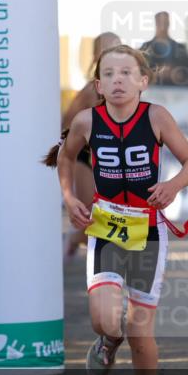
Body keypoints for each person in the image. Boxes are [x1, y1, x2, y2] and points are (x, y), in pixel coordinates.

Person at [47, 44, 188, 375]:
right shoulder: (86, 121)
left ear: (143, 81)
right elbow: (65, 158)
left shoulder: (157, 118)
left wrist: (172, 186)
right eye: (110, 74)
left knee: (139, 329)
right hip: (106, 226)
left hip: (147, 229)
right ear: (98, 84)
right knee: (104, 320)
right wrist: (69, 198)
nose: (119, 80)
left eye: (127, 73)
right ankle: (107, 342)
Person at [58, 32, 122, 258]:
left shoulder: (128, 86)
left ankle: (78, 240)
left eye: (117, 48)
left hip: (115, 160)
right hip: (87, 158)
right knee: (89, 217)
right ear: (96, 55)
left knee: (113, 217)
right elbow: (66, 122)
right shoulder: (89, 90)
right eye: (107, 49)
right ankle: (77, 239)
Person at [139, 11, 188, 86]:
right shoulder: (145, 48)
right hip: (151, 92)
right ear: (156, 23)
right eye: (160, 22)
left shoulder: (180, 48)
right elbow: (139, 73)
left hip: (177, 93)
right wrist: (156, 74)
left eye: (165, 22)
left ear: (169, 23)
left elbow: (187, 74)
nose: (163, 26)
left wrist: (176, 74)